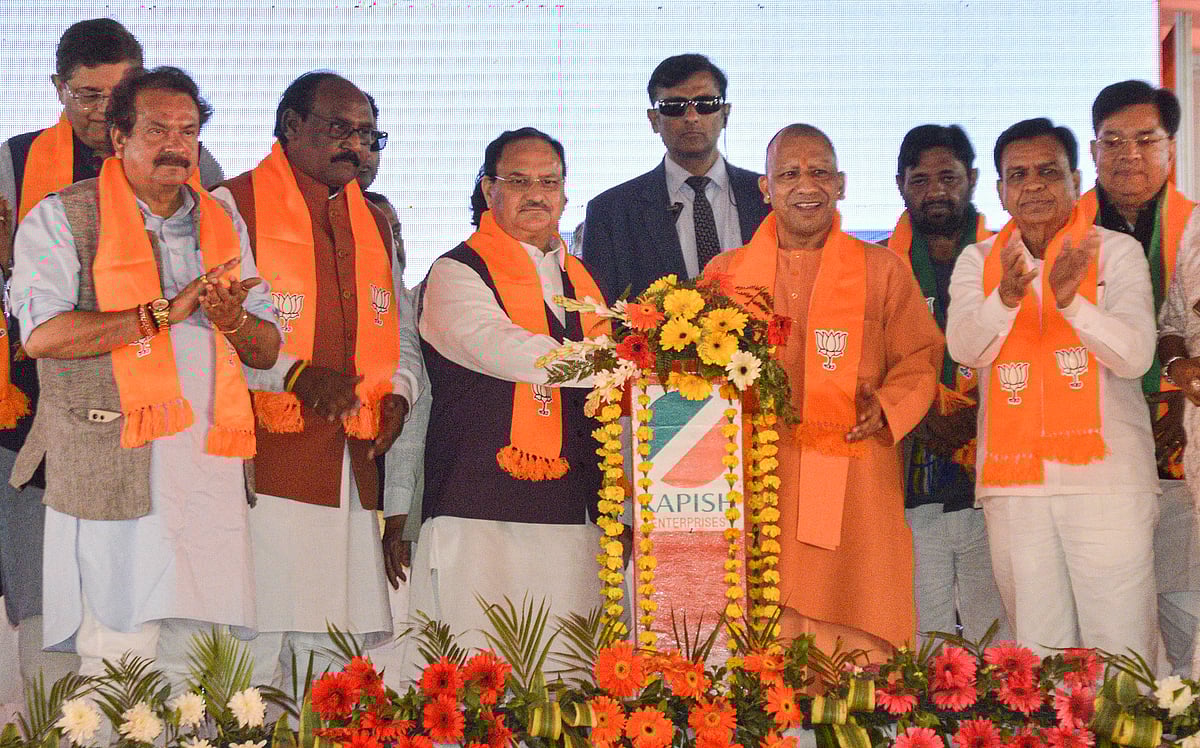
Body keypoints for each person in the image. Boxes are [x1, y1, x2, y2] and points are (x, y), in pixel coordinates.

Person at [8, 66, 280, 686]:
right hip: (114, 462)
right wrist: (160, 313)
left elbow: (265, 348)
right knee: (117, 652)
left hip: (209, 467)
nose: (176, 144)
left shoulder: (222, 224)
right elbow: (43, 334)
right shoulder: (61, 217)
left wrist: (234, 321)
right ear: (118, 135)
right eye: (158, 129)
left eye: (188, 130)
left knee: (200, 658)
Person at [211, 71, 421, 688]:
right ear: (292, 127)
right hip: (259, 459)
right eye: (338, 128)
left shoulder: (374, 221)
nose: (354, 145)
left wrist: (399, 394)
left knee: (332, 649)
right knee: (251, 649)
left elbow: (399, 332)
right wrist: (295, 375)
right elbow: (216, 326)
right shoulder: (232, 204)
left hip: (348, 463)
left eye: (365, 133)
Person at [704, 124, 942, 660]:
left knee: (859, 610)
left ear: (841, 184)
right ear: (765, 188)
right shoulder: (725, 274)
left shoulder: (882, 268)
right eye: (788, 174)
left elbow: (920, 357)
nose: (804, 185)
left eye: (818, 172)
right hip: (757, 477)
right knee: (759, 613)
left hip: (856, 472)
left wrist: (885, 406)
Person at [946, 118, 1159, 661]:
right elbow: (964, 349)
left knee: (1122, 648)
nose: (1034, 185)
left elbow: (1135, 356)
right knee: (1038, 656)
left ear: (1075, 178)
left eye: (1049, 171)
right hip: (1016, 490)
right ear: (998, 190)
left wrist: (1071, 301)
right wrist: (1008, 298)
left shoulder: (1115, 252)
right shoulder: (979, 261)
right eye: (1018, 174)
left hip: (1107, 482)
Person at [407, 127, 606, 659]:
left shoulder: (582, 280)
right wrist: (619, 362)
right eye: (518, 181)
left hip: (573, 512)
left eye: (549, 181)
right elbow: (504, 349)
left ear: (566, 194)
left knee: (567, 686)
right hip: (478, 510)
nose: (536, 194)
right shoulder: (455, 271)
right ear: (488, 190)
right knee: (476, 686)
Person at [1085, 80, 1200, 675]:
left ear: (1171, 147)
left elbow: (1180, 326)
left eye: (1145, 139)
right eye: (1114, 140)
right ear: (1093, 150)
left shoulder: (1195, 228)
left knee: (1184, 603)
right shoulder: (1061, 227)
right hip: (1091, 446)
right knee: (1110, 608)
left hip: (1183, 445)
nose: (1130, 154)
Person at [887, 124, 1011, 645]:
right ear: (900, 185)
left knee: (1000, 631)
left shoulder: (1009, 257)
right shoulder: (879, 267)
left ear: (973, 179)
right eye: (921, 179)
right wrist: (917, 414)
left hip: (994, 478)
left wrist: (975, 415)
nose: (936, 191)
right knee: (924, 636)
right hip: (910, 479)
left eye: (948, 177)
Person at [583, 53, 768, 302]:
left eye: (706, 104)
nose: (691, 117)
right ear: (654, 120)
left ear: (725, 113)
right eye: (674, 108)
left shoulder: (768, 198)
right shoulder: (611, 213)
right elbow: (602, 314)